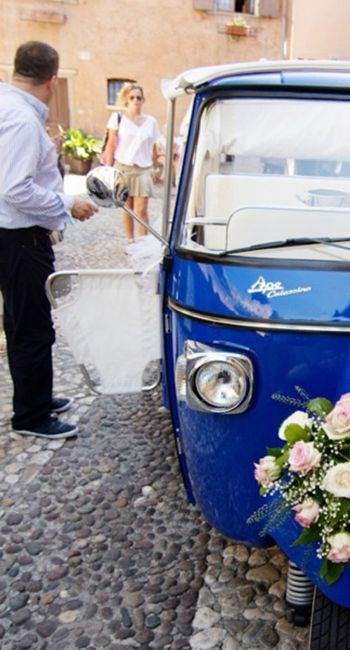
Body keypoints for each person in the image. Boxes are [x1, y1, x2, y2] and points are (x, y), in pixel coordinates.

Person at [0, 41, 98, 440]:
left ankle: (36, 396)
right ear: (52, 81)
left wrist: (47, 155)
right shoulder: (23, 120)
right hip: (22, 238)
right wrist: (68, 202)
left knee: (25, 323)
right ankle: (31, 415)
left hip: (13, 237)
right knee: (33, 328)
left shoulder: (9, 107)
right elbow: (15, 189)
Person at [101, 82, 162, 244]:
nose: (136, 100)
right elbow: (111, 144)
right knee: (127, 208)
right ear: (126, 99)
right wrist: (108, 170)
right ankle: (130, 240)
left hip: (144, 169)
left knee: (141, 210)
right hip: (123, 168)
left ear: (143, 100)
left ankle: (143, 243)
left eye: (139, 98)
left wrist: (157, 168)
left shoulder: (151, 122)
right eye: (132, 97)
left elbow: (156, 147)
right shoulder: (117, 118)